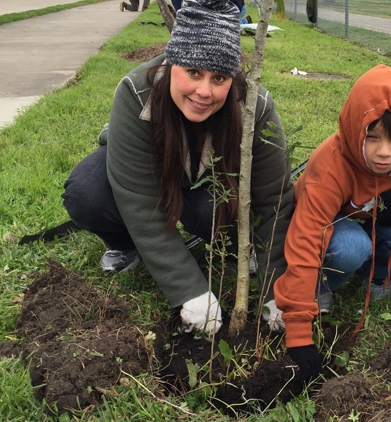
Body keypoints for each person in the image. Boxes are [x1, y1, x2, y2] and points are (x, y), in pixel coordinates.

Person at [63, 0, 293, 336]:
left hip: (208, 184)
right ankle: (127, 244)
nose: (204, 91)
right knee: (87, 192)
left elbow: (275, 199)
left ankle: (231, 248)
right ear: (172, 64)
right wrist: (190, 292)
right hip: (151, 175)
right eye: (193, 73)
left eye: (219, 78)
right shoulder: (136, 93)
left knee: (212, 208)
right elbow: (139, 201)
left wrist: (278, 288)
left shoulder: (254, 106)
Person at [273, 65, 391, 383]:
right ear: (355, 128)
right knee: (352, 246)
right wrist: (298, 331)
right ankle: (320, 288)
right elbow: (306, 236)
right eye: (372, 137)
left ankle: (373, 277)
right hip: (333, 223)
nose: (384, 152)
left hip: (370, 218)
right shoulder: (332, 164)